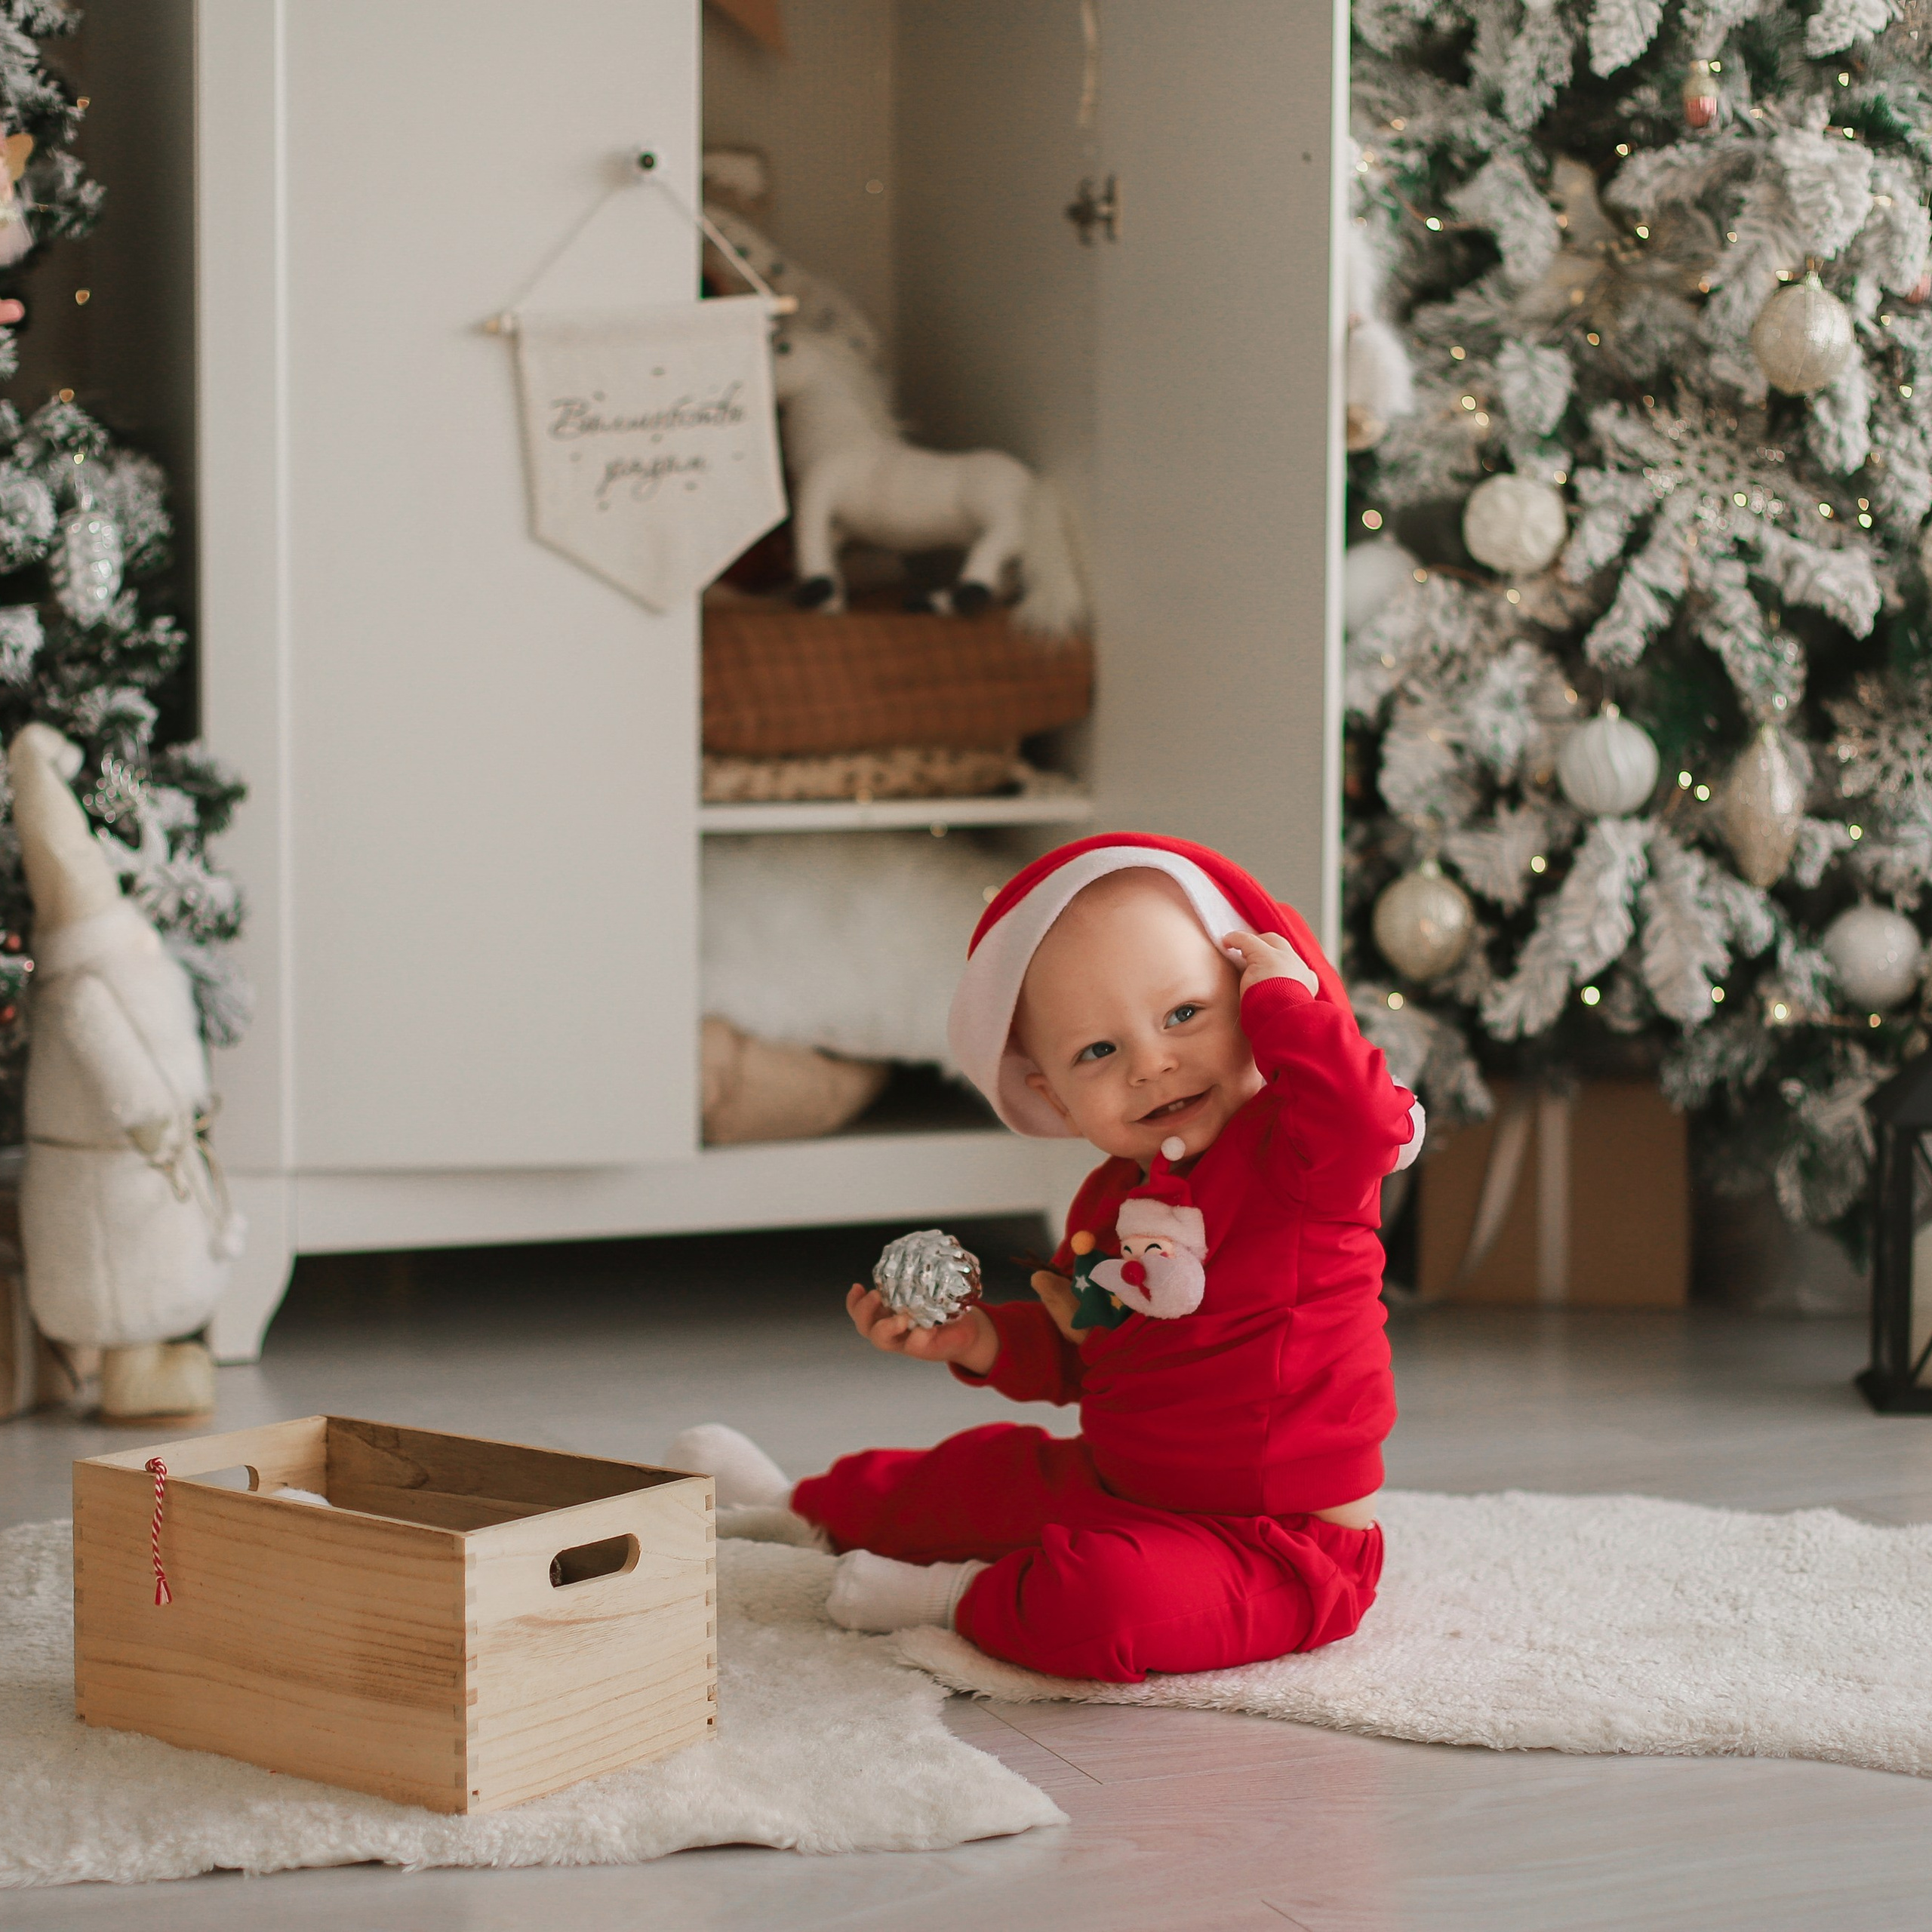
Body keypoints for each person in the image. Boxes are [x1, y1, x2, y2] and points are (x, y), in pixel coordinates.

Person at [672, 834, 1422, 1683]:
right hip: (1120, 1482)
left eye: (1185, 1014)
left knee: (1104, 1608)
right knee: (972, 1477)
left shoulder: (1302, 1157)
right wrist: (974, 1340)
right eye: (1098, 1051)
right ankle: (797, 1508)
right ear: (1051, 1097)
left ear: (1252, 1003)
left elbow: (1369, 1118)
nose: (1151, 1063)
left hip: (1283, 1544)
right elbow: (1084, 1352)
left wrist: (1295, 1004)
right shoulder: (1109, 1201)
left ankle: (949, 1597)